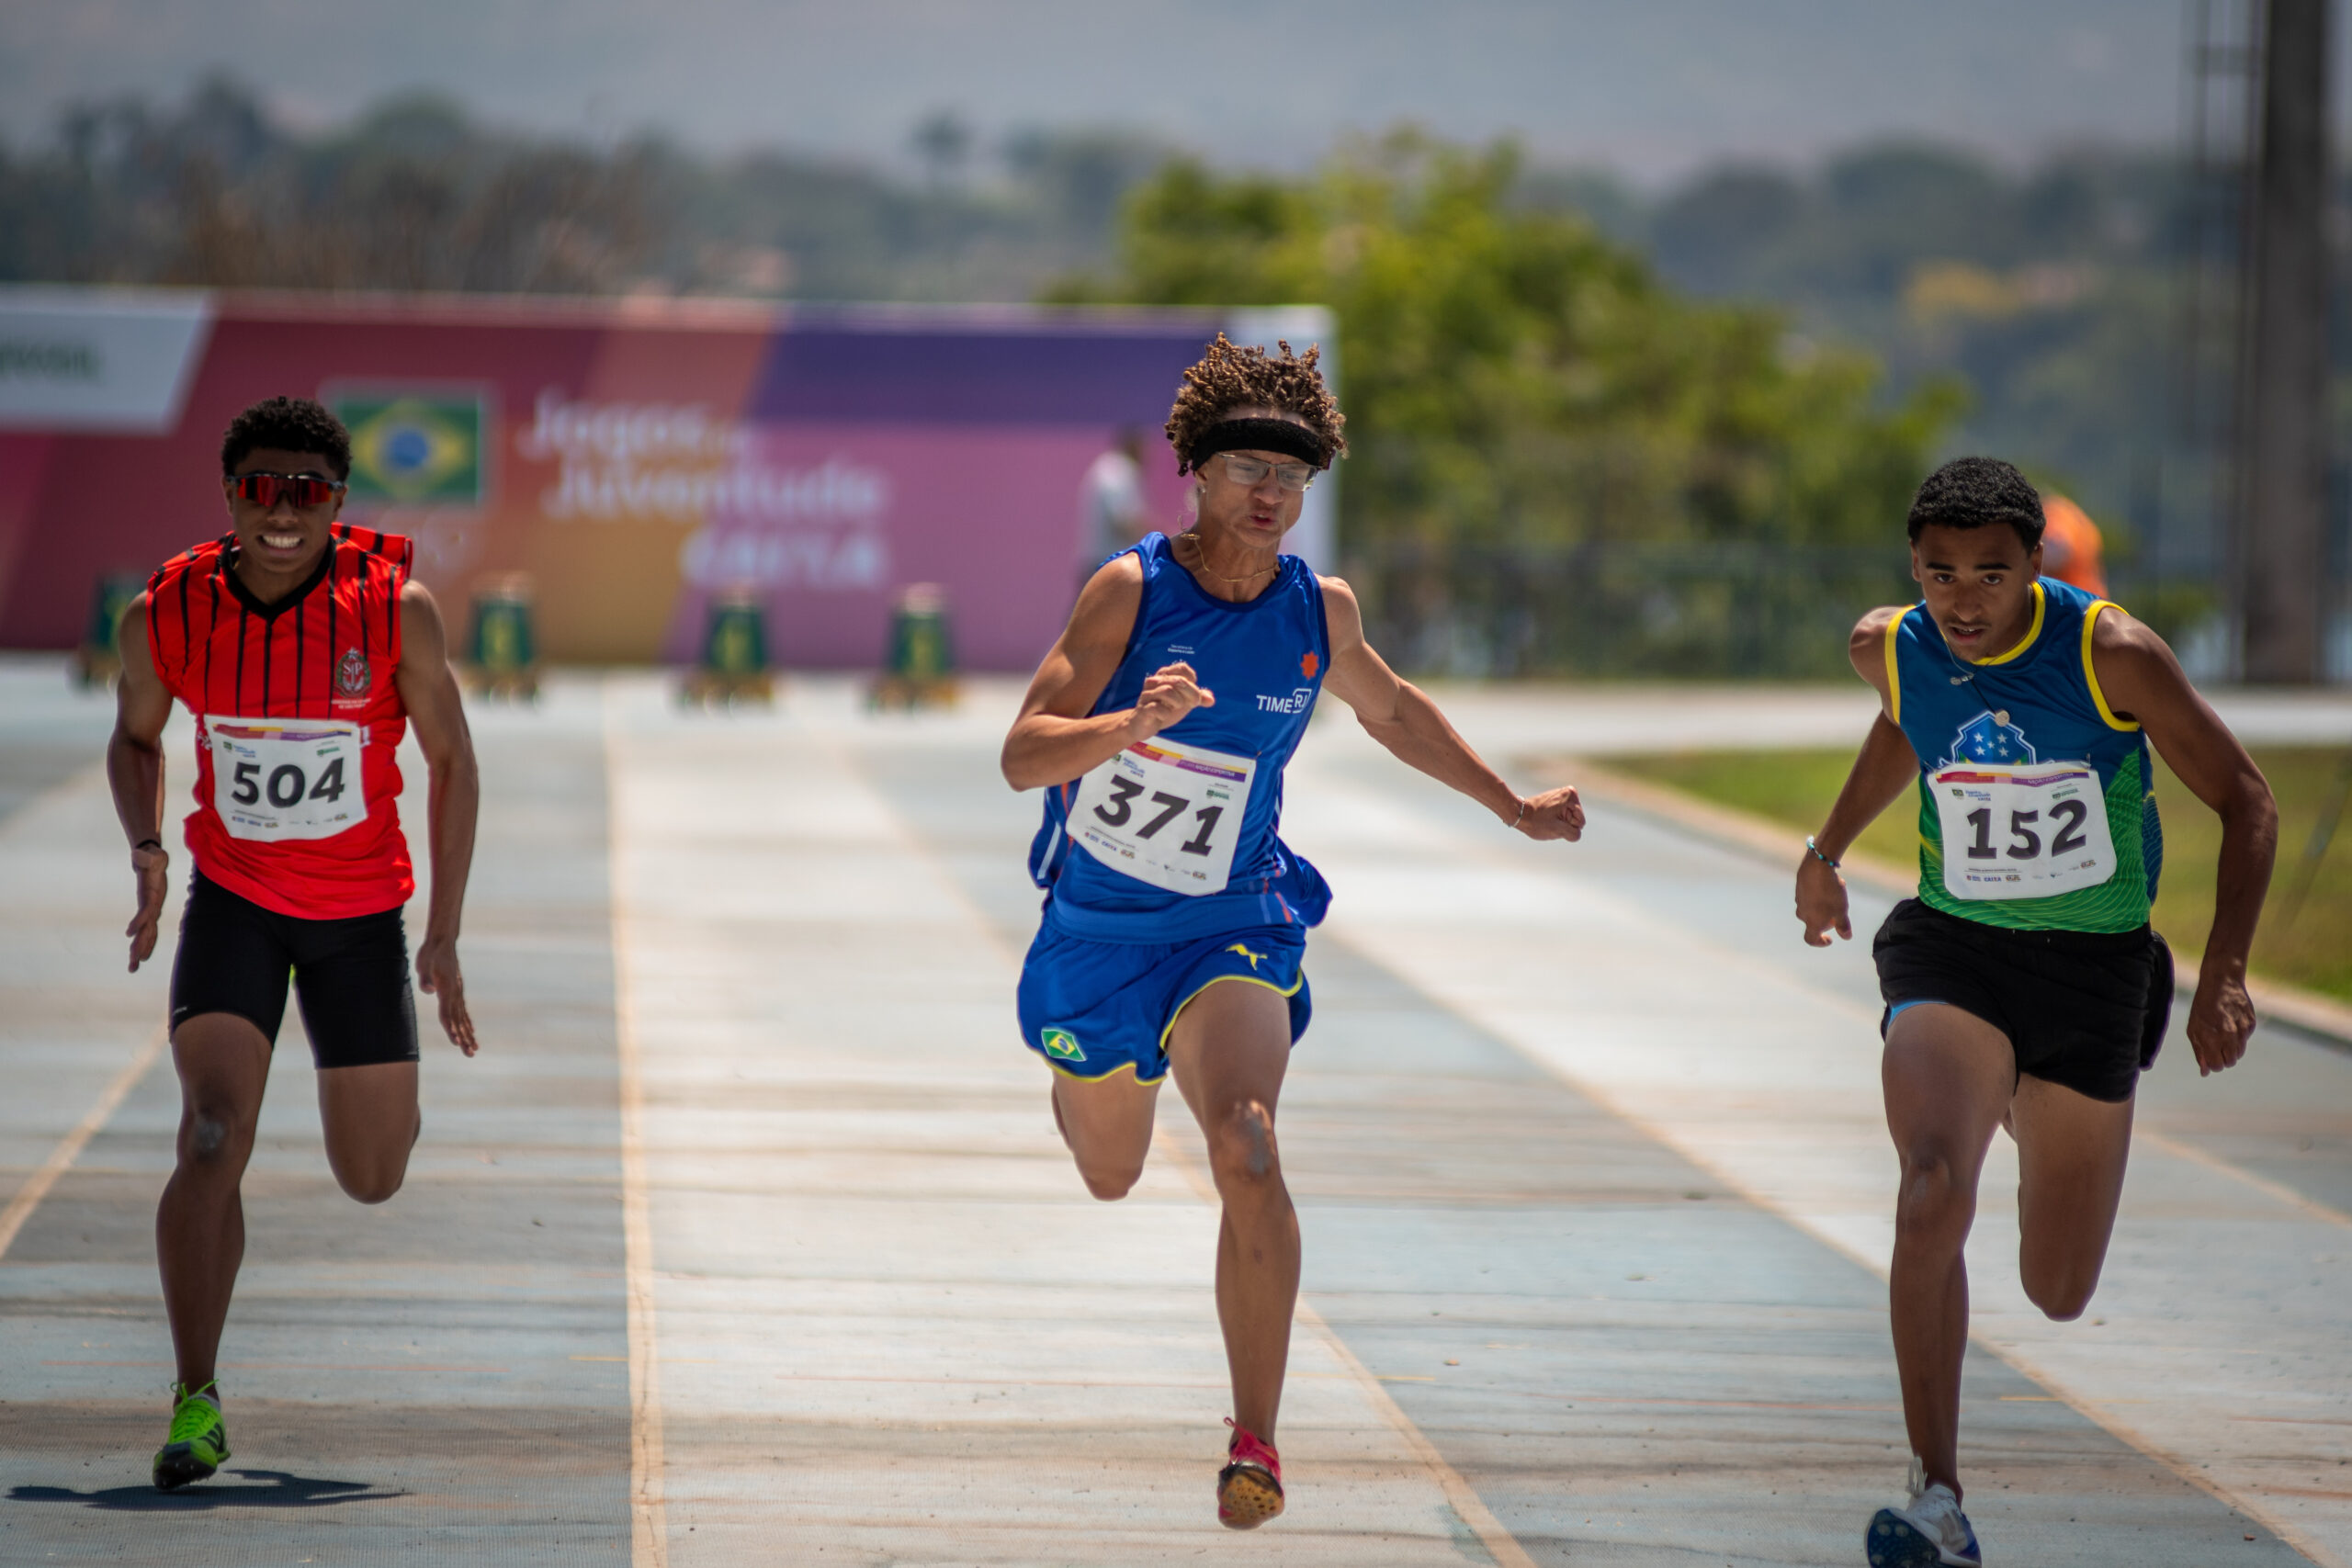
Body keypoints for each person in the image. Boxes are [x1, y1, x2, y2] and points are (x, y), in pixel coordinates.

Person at [1001, 334, 1585, 1529]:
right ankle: (1088, 1084)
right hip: (1099, 932)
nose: (1270, 491)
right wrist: (1128, 724)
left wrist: (1511, 805)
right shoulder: (1129, 590)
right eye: (1246, 468)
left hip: (1235, 919)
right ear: (1195, 473)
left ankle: (1254, 1441)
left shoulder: (1319, 609)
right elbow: (1022, 755)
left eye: (1292, 473)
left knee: (1248, 1146)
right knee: (1111, 1173)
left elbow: (1394, 711)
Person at [1793, 457, 2275, 1566]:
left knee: (2056, 1290)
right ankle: (1936, 1498)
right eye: (1939, 575)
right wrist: (1827, 851)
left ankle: (2016, 1091)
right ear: (1911, 568)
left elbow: (2246, 799)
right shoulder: (1886, 646)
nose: (1962, 601)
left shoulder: (2112, 654)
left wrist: (2224, 973)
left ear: (2035, 566)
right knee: (1929, 1191)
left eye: (1990, 575)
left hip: (2093, 974)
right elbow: (1906, 719)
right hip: (1954, 952)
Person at [107, 395, 481, 1491]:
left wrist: (443, 934)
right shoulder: (169, 611)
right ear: (230, 495)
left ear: (338, 500)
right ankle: (196, 1398)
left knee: (372, 1177)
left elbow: (453, 762)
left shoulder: (393, 610)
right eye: (261, 489)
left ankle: (383, 1096)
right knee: (211, 1137)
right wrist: (148, 850)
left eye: (306, 492)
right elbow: (134, 737)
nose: (282, 512)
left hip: (358, 921)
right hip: (235, 902)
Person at [1075, 425, 1149, 589]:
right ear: (1134, 447)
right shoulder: (1118, 470)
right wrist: (1158, 543)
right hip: (1108, 565)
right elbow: (1123, 521)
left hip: (1102, 563)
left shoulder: (1107, 467)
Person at [2037, 493, 2108, 596]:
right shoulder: (2075, 516)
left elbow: (2057, 550)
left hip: (2073, 596)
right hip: (2090, 595)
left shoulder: (2055, 516)